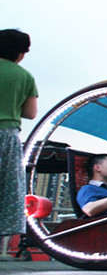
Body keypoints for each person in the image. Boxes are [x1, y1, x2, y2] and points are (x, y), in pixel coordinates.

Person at [0, 29, 38, 237]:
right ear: (21, 54)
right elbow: (30, 113)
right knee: (4, 191)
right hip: (6, 136)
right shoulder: (24, 76)